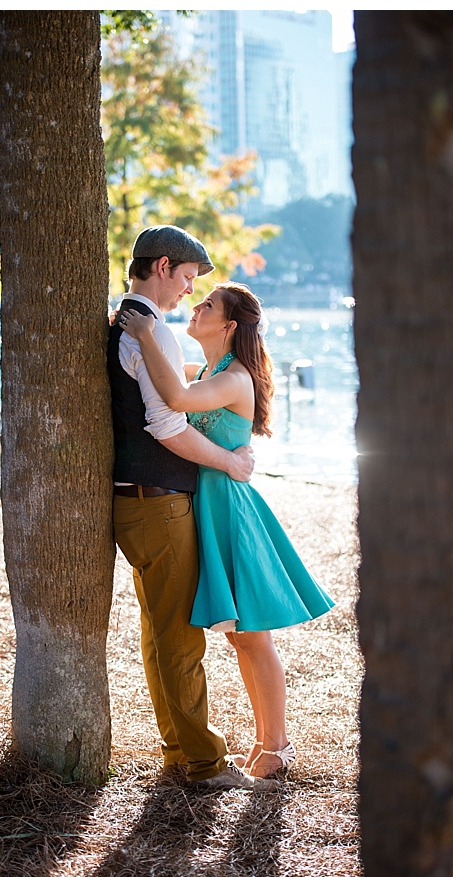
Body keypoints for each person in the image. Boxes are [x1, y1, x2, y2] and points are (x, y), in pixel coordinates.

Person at [118, 281, 334, 779]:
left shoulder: (235, 377)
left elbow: (174, 395)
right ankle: (268, 741)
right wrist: (130, 330)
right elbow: (165, 379)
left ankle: (277, 746)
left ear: (229, 326)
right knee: (240, 638)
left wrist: (147, 332)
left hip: (230, 512)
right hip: (206, 507)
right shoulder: (212, 368)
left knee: (253, 636)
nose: (197, 306)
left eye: (208, 304)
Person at [107, 225, 269, 791]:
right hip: (157, 503)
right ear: (164, 267)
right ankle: (203, 762)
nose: (186, 293)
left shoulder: (126, 323)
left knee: (159, 633)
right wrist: (230, 464)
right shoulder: (150, 332)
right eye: (187, 281)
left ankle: (178, 748)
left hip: (135, 500)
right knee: (178, 637)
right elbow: (168, 421)